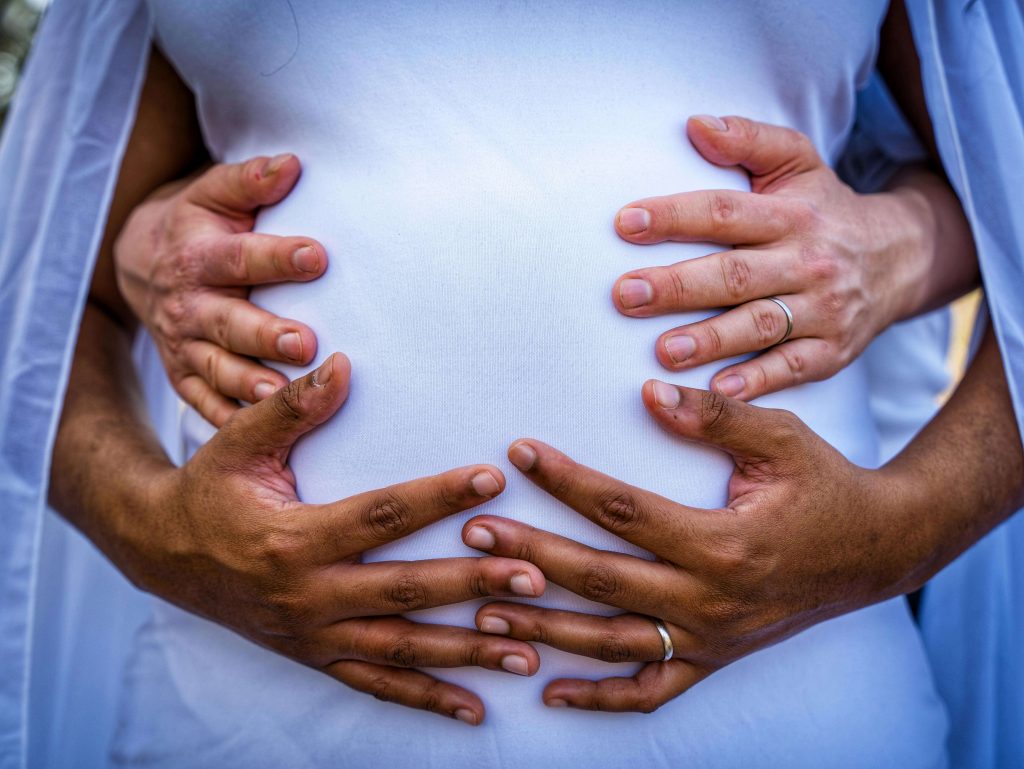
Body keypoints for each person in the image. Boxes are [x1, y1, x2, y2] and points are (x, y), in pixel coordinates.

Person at [0, 2, 1020, 769]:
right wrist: (154, 530)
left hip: (786, 718)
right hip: (246, 723)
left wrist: (897, 529)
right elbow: (50, 290)